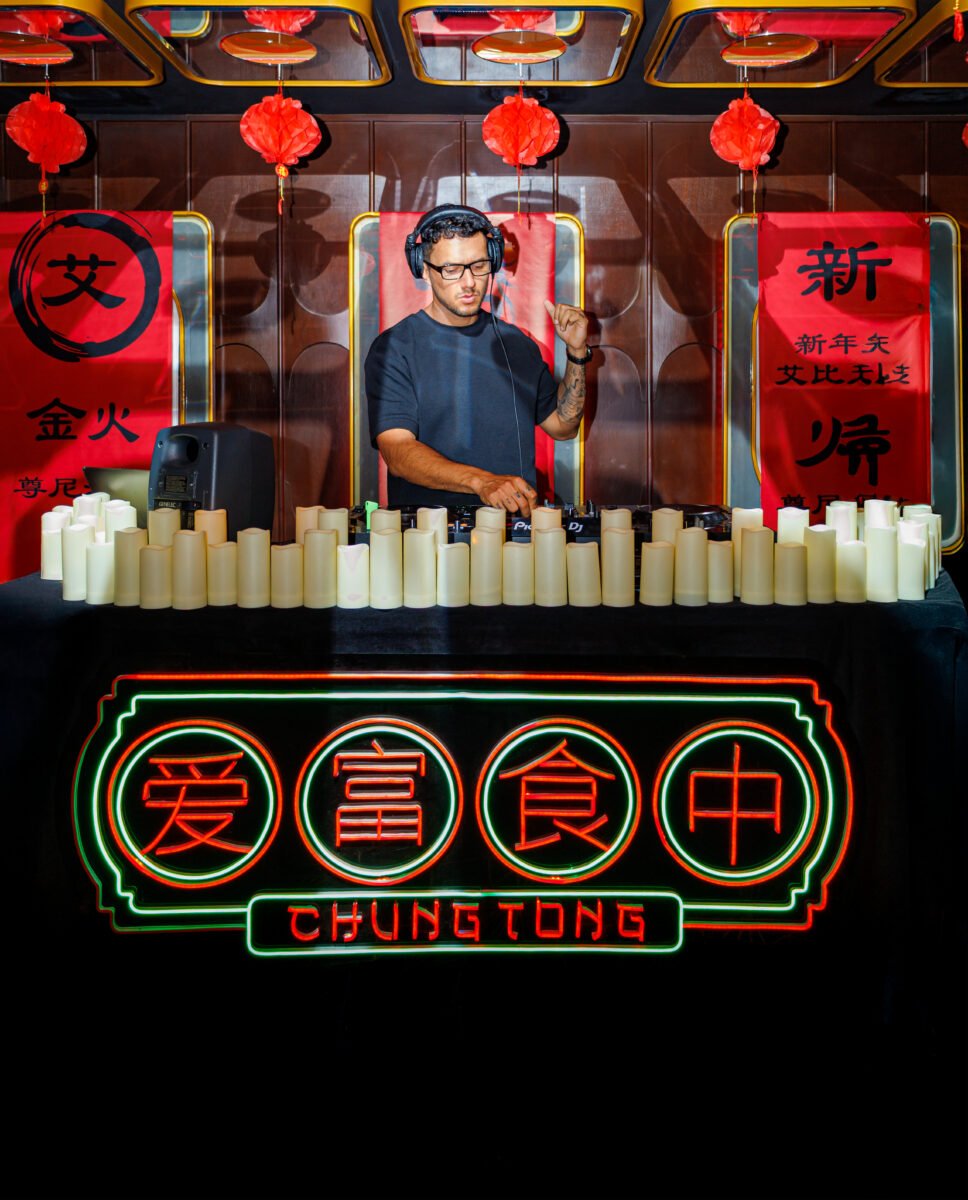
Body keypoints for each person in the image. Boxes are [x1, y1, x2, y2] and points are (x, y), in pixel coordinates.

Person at [365, 204, 590, 518]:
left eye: (479, 265)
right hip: (429, 536)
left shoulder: (517, 344)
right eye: (452, 269)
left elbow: (563, 427)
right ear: (424, 270)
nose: (469, 282)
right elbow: (398, 452)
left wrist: (577, 353)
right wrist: (481, 482)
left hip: (513, 532)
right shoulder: (394, 348)